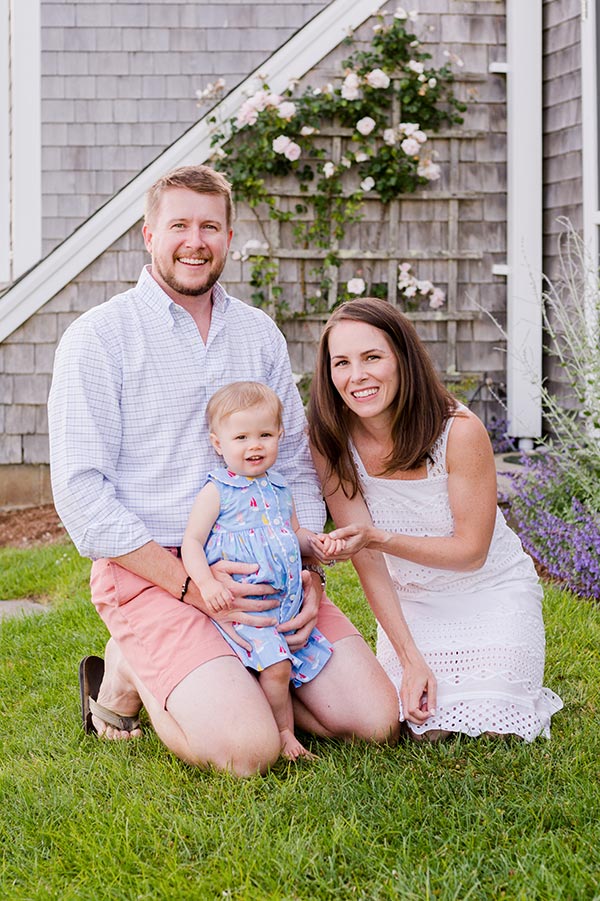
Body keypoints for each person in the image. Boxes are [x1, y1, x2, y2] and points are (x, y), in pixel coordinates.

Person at [48, 166, 399, 776]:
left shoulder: (257, 332)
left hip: (266, 564)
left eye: (210, 226)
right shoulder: (97, 338)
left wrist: (303, 571)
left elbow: (290, 458)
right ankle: (128, 668)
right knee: (247, 753)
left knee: (375, 721)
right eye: (178, 224)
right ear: (147, 235)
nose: (195, 241)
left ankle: (228, 671)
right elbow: (81, 496)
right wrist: (193, 589)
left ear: (229, 237)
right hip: (157, 572)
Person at [308, 297, 563, 742]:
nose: (357, 376)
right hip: (413, 604)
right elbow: (369, 565)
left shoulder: (459, 431)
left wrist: (379, 537)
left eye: (372, 357)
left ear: (403, 359)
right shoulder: (330, 440)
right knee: (420, 727)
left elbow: (470, 553)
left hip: (490, 590)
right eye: (341, 363)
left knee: (495, 722)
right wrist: (410, 658)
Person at [182, 380, 344, 761]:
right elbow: (192, 541)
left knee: (288, 662)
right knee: (276, 666)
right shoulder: (217, 491)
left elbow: (293, 533)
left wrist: (316, 544)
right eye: (241, 437)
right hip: (246, 609)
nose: (254, 445)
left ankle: (278, 714)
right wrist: (205, 582)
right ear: (218, 443)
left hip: (281, 606)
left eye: (265, 434)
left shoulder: (280, 488)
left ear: (280, 436)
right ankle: (284, 733)